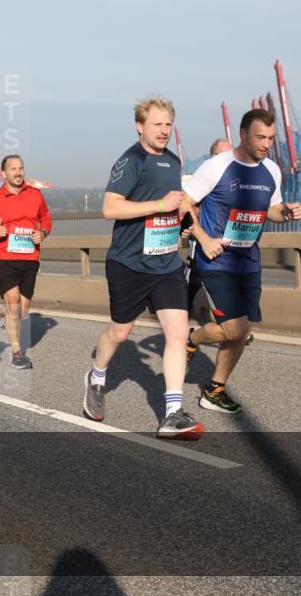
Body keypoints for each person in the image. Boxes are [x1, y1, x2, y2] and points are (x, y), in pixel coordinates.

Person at [86, 96, 203, 440]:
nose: (164, 130)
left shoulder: (172, 160)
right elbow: (110, 208)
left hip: (166, 262)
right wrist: (158, 205)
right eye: (157, 124)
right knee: (120, 332)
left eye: (168, 124)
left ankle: (172, 413)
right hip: (129, 263)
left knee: (178, 334)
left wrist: (179, 221)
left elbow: (175, 203)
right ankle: (96, 375)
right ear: (140, 126)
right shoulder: (130, 160)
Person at [182, 109, 301, 413]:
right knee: (235, 328)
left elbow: (272, 210)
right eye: (260, 137)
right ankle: (193, 338)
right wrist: (202, 237)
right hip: (217, 260)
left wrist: (285, 212)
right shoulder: (216, 166)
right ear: (243, 134)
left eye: (271, 139)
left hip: (249, 261)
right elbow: (183, 203)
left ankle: (214, 390)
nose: (265, 144)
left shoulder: (272, 170)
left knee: (242, 329)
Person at [0, 154, 53, 369]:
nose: (18, 172)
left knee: (21, 311)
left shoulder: (35, 195)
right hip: (3, 259)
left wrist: (42, 233)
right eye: (13, 169)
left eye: (21, 168)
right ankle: (18, 354)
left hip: (29, 258)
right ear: (4, 173)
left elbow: (46, 218)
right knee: (13, 303)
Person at [186, 139, 233, 313]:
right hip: (202, 241)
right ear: (211, 157)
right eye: (220, 155)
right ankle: (179, 323)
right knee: (193, 282)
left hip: (227, 243)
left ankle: (233, 326)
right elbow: (186, 205)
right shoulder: (206, 175)